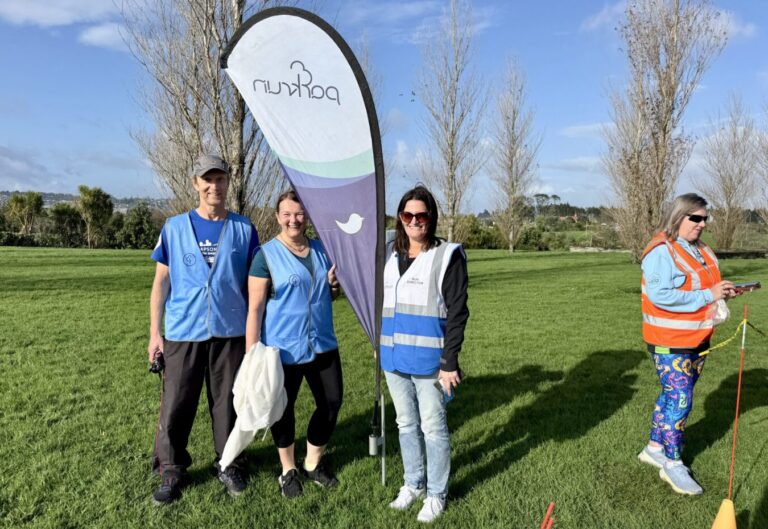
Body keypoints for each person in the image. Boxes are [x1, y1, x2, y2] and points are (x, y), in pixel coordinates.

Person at [148, 154, 260, 505]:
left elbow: (257, 283)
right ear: (195, 183)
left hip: (230, 331)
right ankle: (171, 469)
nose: (214, 186)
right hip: (183, 331)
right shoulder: (174, 227)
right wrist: (155, 334)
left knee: (228, 404)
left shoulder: (245, 229)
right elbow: (160, 284)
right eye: (207, 180)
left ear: (229, 183)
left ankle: (229, 463)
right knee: (177, 403)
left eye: (220, 179)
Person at [637, 193, 739, 495]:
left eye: (706, 218)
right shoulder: (661, 251)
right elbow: (661, 296)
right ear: (678, 217)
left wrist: (722, 292)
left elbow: (704, 286)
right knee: (681, 400)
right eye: (695, 217)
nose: (702, 224)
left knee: (674, 396)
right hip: (669, 340)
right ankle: (672, 463)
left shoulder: (701, 249)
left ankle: (654, 447)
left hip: (698, 336)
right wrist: (709, 296)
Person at [245, 190, 343, 499]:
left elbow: (330, 293)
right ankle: (287, 470)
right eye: (287, 214)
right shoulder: (265, 256)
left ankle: (312, 462)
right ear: (277, 217)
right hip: (282, 349)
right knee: (282, 411)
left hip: (322, 344)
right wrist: (252, 353)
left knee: (331, 402)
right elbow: (255, 309)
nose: (294, 220)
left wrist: (333, 289)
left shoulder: (322, 250)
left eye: (299, 214)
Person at [381, 185, 469, 523]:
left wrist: (450, 362)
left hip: (431, 363)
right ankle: (413, 484)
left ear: (431, 217)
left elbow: (458, 313)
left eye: (421, 215)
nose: (414, 221)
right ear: (400, 218)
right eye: (408, 215)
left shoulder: (448, 256)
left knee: (433, 428)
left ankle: (436, 494)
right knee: (405, 424)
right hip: (392, 358)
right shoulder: (388, 253)